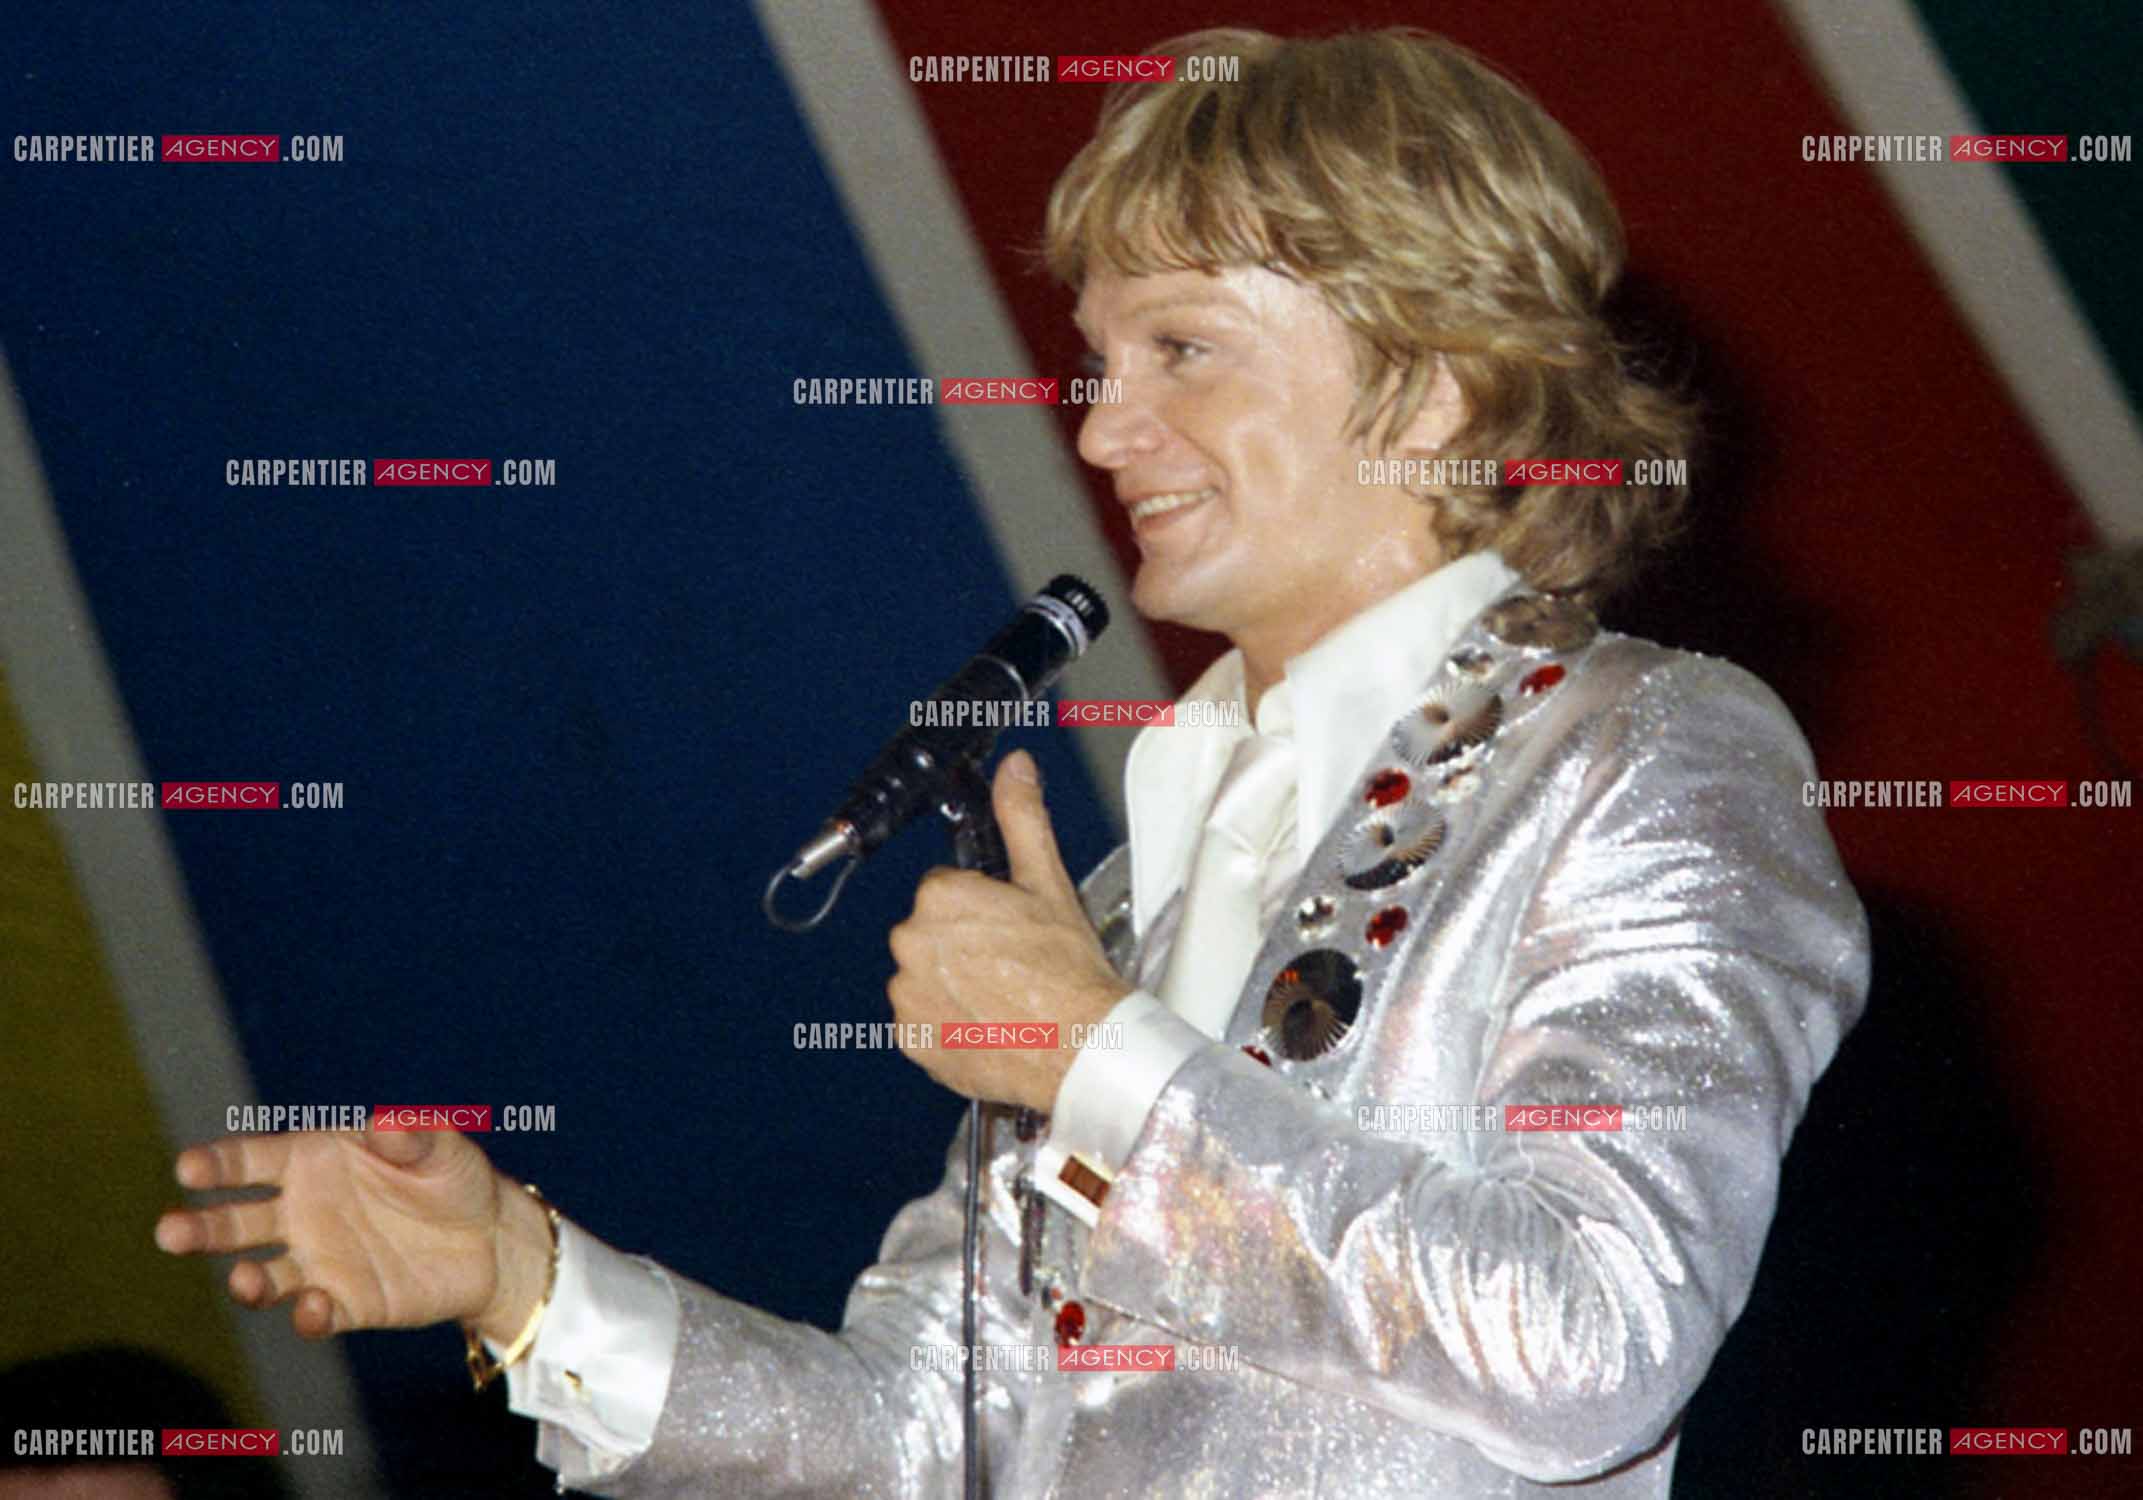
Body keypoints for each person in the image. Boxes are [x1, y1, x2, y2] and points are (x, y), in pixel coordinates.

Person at [155, 26, 1870, 1497]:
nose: (1106, 430)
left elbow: (1592, 1334)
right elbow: (920, 1437)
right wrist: (525, 1282)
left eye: (1183, 349)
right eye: (1100, 364)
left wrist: (1102, 1058)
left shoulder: (1646, 750)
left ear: (1434, 388)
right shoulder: (1126, 900)